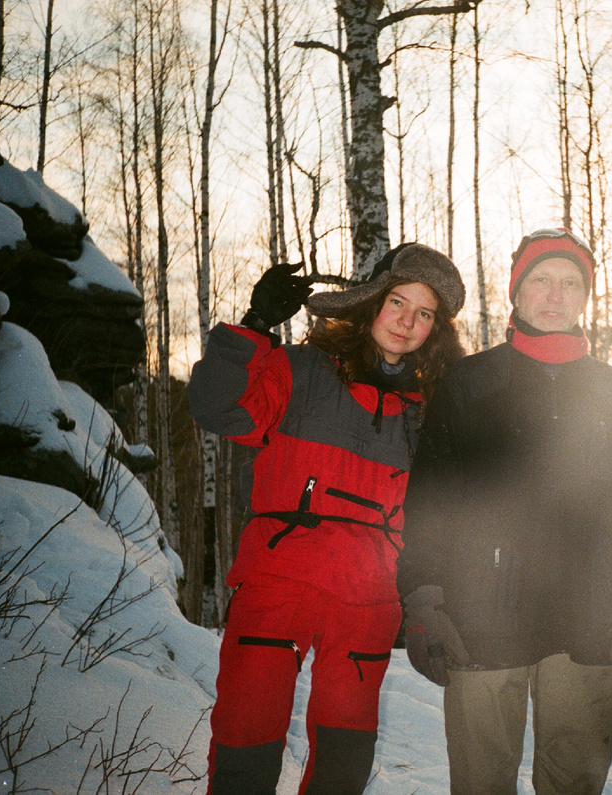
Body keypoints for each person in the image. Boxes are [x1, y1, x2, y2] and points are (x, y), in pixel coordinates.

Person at [187, 244, 465, 795]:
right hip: (279, 579)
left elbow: (451, 512)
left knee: (344, 758)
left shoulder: (433, 410)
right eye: (397, 302)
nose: (407, 322)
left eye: (425, 313)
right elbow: (215, 406)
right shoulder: (303, 371)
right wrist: (256, 324)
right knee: (246, 735)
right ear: (369, 305)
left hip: (370, 598)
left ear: (436, 330)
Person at [395, 228, 612, 795]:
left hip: (586, 625)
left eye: (570, 283)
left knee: (575, 784)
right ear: (516, 291)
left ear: (585, 297)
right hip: (480, 623)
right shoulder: (468, 384)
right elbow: (429, 505)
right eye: (540, 279)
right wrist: (423, 603)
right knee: (481, 784)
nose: (554, 295)